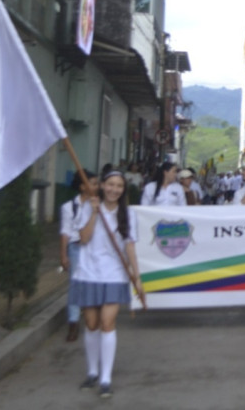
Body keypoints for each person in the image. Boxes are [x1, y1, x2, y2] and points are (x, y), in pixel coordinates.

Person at [74, 169, 142, 398]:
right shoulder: (88, 207)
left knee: (107, 323)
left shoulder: (129, 214)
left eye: (119, 186)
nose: (114, 189)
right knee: (91, 323)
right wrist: (94, 212)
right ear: (102, 186)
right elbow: (83, 238)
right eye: (110, 184)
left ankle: (105, 378)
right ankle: (92, 372)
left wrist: (137, 277)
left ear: (124, 190)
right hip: (88, 272)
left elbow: (130, 246)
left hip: (114, 274)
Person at [60, 170, 99, 342]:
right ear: (82, 186)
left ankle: (95, 318)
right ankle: (73, 323)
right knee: (76, 286)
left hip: (94, 249)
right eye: (92, 183)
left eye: (97, 183)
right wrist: (63, 255)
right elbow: (65, 232)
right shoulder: (69, 207)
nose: (96, 186)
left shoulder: (99, 205)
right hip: (76, 248)